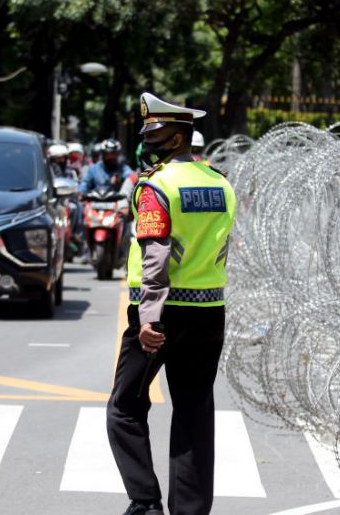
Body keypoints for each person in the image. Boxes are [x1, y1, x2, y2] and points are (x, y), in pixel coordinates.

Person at [106, 92, 236, 515]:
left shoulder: (156, 185)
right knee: (194, 412)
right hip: (208, 311)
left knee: (125, 407)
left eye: (157, 133)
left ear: (179, 138)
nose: (150, 141)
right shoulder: (220, 183)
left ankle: (145, 504)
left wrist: (148, 317)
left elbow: (156, 254)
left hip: (160, 315)